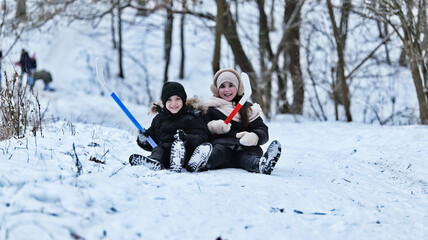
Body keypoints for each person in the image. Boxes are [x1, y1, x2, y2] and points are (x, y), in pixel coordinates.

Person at [187, 68, 282, 175]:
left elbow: (262, 130)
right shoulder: (211, 108)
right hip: (222, 145)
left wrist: (255, 136)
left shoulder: (248, 109)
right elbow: (202, 132)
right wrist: (213, 127)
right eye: (222, 86)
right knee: (217, 154)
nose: (227, 90)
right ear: (217, 89)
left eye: (231, 85)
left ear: (238, 88)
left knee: (248, 157)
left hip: (245, 147)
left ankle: (261, 165)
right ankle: (200, 163)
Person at [129, 81, 210, 172]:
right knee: (158, 149)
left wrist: (186, 138)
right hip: (164, 155)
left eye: (177, 99)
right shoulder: (159, 119)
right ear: (164, 101)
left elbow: (202, 137)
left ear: (183, 99)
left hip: (185, 153)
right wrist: (143, 140)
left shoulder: (191, 117)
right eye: (169, 100)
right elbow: (152, 141)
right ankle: (154, 162)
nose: (173, 104)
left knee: (180, 147)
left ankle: (179, 160)